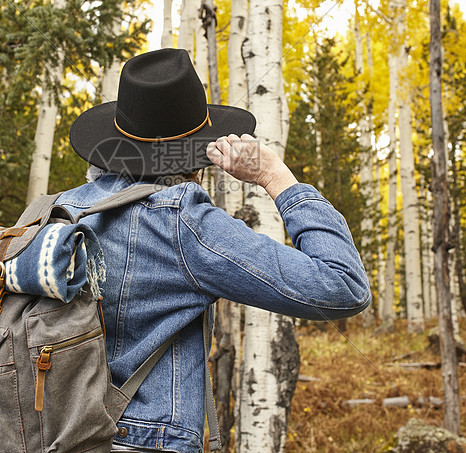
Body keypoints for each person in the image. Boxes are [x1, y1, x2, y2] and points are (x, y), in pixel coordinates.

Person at [60, 48, 371, 453]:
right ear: (196, 157)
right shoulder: (180, 222)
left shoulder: (58, 210)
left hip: (56, 432)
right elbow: (343, 285)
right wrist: (276, 177)